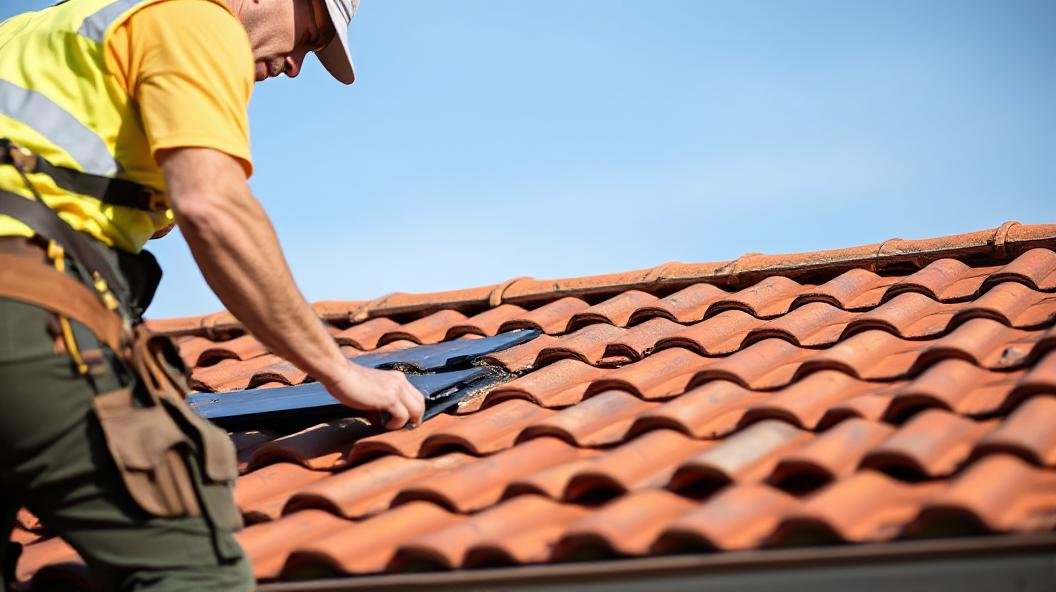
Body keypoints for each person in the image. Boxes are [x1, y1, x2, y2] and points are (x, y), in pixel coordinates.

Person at [0, 0, 424, 589]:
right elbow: (213, 207)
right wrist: (339, 371)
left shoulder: (36, 32)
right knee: (193, 572)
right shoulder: (197, 19)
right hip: (22, 311)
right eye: (314, 32)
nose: (298, 63)